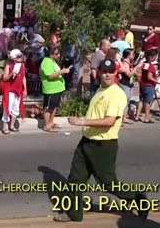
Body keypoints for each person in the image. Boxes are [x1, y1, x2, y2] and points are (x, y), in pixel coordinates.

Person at [53, 58, 149, 223]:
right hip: (86, 141)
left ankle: (137, 199)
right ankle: (73, 214)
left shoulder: (117, 94)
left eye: (110, 72)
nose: (107, 75)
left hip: (103, 145)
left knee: (108, 183)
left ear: (115, 73)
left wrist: (82, 121)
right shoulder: (99, 90)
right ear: (99, 73)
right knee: (75, 179)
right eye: (104, 72)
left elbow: (109, 121)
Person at [40, 47, 69, 132]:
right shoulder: (47, 62)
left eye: (58, 53)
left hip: (56, 88)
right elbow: (50, 76)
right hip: (50, 89)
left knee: (54, 106)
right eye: (56, 54)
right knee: (48, 107)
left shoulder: (53, 61)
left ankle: (51, 122)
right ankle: (47, 125)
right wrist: (62, 72)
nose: (58, 55)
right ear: (50, 54)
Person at [0, 49, 26, 134]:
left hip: (18, 90)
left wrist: (25, 88)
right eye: (18, 56)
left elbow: (23, 77)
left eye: (20, 56)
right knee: (8, 108)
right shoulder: (9, 65)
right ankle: (5, 126)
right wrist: (11, 74)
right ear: (14, 58)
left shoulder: (22, 65)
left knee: (16, 108)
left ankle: (12, 125)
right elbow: (4, 78)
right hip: (10, 90)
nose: (20, 57)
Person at [135, 50, 160, 123]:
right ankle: (146, 118)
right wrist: (158, 82)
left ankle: (137, 116)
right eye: (156, 56)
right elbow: (149, 77)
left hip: (142, 84)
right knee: (147, 102)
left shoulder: (144, 64)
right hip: (149, 85)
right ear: (152, 57)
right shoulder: (151, 66)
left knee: (141, 100)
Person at [118, 49, 141, 124]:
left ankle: (124, 117)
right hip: (124, 84)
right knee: (124, 101)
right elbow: (128, 74)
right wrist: (136, 67)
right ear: (128, 55)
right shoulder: (125, 63)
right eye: (132, 54)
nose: (133, 56)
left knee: (127, 101)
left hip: (129, 84)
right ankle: (120, 118)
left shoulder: (129, 63)